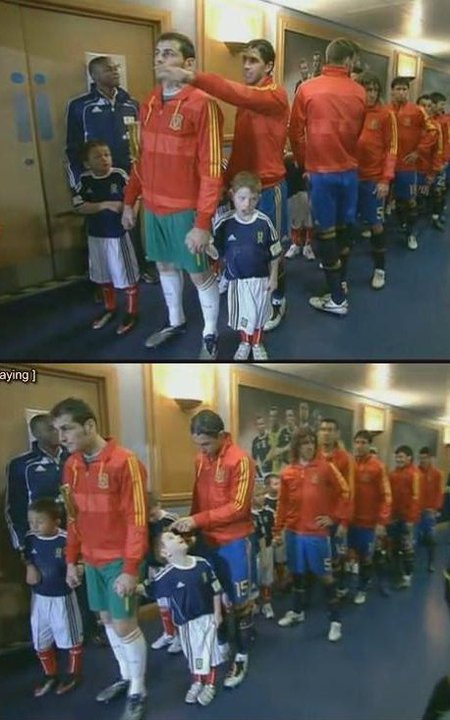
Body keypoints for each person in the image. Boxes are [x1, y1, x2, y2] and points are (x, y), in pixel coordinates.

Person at [160, 38, 290, 332]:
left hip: (268, 189)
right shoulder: (248, 101)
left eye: (253, 60)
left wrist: (191, 77)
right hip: (241, 189)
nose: (246, 66)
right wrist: (225, 183)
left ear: (269, 65)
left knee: (272, 250)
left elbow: (236, 93)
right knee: (241, 245)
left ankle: (278, 299)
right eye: (244, 60)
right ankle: (245, 288)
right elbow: (241, 149)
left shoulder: (275, 95)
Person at [122, 32, 224, 360]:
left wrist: (203, 222)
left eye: (168, 53)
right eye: (157, 53)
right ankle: (175, 321)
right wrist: (129, 201)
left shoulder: (203, 104)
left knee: (198, 272)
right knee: (164, 264)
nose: (160, 59)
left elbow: (212, 169)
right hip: (153, 206)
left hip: (185, 209)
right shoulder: (150, 101)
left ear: (188, 63)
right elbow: (141, 159)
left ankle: (210, 332)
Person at [51, 397, 148, 720]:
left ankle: (138, 688)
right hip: (91, 559)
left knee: (124, 624)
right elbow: (72, 517)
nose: (61, 437)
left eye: (67, 429)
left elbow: (137, 519)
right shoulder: (71, 465)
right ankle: (126, 676)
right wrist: (71, 560)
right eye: (57, 430)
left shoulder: (125, 461)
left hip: (120, 558)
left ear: (89, 425)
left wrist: (131, 569)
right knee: (106, 621)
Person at [172, 410, 255, 690]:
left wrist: (197, 520)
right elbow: (198, 498)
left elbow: (239, 507)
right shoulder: (200, 459)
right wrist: (190, 528)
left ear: (221, 436)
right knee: (212, 597)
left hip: (234, 541)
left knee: (239, 602)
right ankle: (221, 643)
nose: (202, 449)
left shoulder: (241, 460)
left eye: (206, 443)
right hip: (206, 541)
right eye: (198, 444)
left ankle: (242, 656)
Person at [289, 38, 366, 316]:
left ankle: (337, 298)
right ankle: (340, 284)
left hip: (321, 173)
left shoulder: (307, 88)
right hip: (349, 172)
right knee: (344, 231)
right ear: (347, 61)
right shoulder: (360, 91)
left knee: (326, 235)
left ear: (327, 58)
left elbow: (295, 133)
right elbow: (358, 134)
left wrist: (304, 162)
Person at [65, 55, 157, 283]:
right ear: (94, 75)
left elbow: (142, 145)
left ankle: (138, 268)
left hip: (127, 176)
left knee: (131, 222)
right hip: (95, 178)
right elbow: (72, 149)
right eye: (108, 69)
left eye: (116, 68)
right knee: (99, 225)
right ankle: (100, 278)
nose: (115, 72)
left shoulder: (132, 104)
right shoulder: (80, 107)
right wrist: (76, 181)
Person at [274, 429, 350, 641]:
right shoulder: (288, 472)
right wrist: (277, 530)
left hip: (316, 533)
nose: (308, 446)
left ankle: (335, 621)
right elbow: (283, 503)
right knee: (297, 574)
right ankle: (297, 612)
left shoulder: (325, 467)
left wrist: (334, 517)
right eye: (304, 443)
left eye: (311, 442)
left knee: (325, 576)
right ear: (296, 446)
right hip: (293, 533)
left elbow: (345, 492)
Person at [139, 530, 223, 706]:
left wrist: (218, 613)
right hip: (186, 623)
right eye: (171, 538)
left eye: (177, 535)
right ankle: (197, 681)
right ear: (165, 552)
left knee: (210, 653)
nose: (178, 537)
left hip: (208, 618)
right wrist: (129, 587)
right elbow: (148, 589)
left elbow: (215, 589)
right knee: (195, 655)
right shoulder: (166, 576)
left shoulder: (202, 564)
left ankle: (210, 684)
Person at [73, 140, 140, 335]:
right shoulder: (84, 179)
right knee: (103, 274)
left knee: (126, 274)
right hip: (96, 235)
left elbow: (135, 197)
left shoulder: (119, 175)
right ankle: (110, 308)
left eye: (107, 154)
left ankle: (132, 312)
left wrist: (131, 214)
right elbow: (79, 206)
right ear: (87, 163)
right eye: (98, 156)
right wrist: (105, 205)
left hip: (117, 235)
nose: (104, 159)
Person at [213, 171, 281, 360]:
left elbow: (275, 253)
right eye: (242, 198)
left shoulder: (264, 222)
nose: (246, 205)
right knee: (242, 316)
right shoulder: (224, 223)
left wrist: (274, 277)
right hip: (237, 282)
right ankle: (244, 342)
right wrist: (204, 247)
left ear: (258, 198)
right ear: (232, 195)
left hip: (261, 280)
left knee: (259, 315)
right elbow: (216, 252)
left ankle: (257, 343)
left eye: (252, 199)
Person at [24, 497, 83, 697]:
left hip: (62, 597)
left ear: (56, 521)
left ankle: (74, 674)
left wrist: (77, 571)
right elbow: (27, 556)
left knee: (70, 637)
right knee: (40, 639)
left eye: (39, 522)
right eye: (31, 522)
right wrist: (29, 567)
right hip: (39, 598)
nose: (34, 526)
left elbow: (79, 561)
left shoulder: (66, 539)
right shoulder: (30, 538)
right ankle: (50, 675)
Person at [356, 71, 398, 290]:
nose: (370, 94)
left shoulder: (385, 114)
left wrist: (385, 179)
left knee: (376, 225)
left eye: (374, 90)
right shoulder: (352, 112)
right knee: (346, 224)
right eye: (366, 89)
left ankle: (379, 269)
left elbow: (392, 148)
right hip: (351, 178)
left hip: (373, 180)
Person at [5, 413, 68, 553]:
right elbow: (14, 508)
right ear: (36, 433)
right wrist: (21, 544)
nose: (57, 432)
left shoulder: (74, 457)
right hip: (40, 541)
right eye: (50, 429)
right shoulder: (21, 465)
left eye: (60, 428)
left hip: (75, 536)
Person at [387, 76, 435, 250]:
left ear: (408, 91)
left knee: (409, 200)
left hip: (406, 165)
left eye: (404, 89)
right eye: (398, 89)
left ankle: (411, 233)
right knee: (382, 199)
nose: (401, 92)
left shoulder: (417, 111)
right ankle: (382, 230)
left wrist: (419, 151)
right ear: (392, 91)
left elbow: (432, 131)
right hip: (386, 164)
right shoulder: (385, 110)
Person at [349, 430, 392, 604]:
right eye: (357, 442)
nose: (359, 446)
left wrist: (382, 521)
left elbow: (386, 496)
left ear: (369, 445)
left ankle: (362, 589)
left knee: (366, 557)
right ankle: (344, 587)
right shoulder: (349, 464)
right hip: (349, 521)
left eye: (363, 442)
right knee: (347, 556)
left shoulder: (378, 467)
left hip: (369, 523)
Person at [317, 418, 355, 596]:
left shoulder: (346, 459)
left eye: (330, 430)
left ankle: (339, 590)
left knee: (337, 556)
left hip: (337, 518)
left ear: (337, 433)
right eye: (323, 429)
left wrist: (344, 521)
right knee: (320, 556)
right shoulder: (313, 455)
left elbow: (350, 491)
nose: (326, 433)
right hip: (316, 517)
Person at [142, 492, 181, 653]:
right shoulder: (144, 523)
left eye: (152, 514)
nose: (150, 519)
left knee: (174, 603)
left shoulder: (171, 520)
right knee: (162, 603)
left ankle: (179, 636)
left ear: (158, 505)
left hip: (170, 567)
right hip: (154, 566)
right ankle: (169, 633)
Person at [388, 445, 420, 589]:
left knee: (407, 548)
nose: (398, 459)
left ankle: (407, 577)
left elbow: (416, 498)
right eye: (397, 457)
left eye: (401, 457)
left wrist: (410, 519)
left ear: (409, 458)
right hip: (394, 517)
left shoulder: (415, 474)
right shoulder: (393, 474)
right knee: (394, 546)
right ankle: (397, 574)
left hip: (408, 519)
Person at [284, 153, 315, 261]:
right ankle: (296, 243)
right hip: (292, 175)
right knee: (295, 209)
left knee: (308, 211)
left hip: (310, 167)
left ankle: (308, 245)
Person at [417, 447, 444, 572]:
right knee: (413, 540)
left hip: (429, 512)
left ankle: (431, 562)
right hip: (416, 512)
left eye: (425, 458)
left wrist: (435, 509)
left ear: (430, 458)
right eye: (421, 458)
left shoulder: (437, 474)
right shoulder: (415, 472)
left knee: (431, 539)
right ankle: (410, 565)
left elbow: (440, 492)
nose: (422, 460)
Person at [251, 484, 275, 618]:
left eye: (262, 495)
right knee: (255, 577)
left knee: (267, 578)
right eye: (257, 495)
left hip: (267, 548)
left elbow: (273, 529)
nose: (261, 498)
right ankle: (254, 603)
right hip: (254, 552)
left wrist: (275, 539)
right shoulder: (248, 516)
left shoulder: (269, 512)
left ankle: (267, 604)